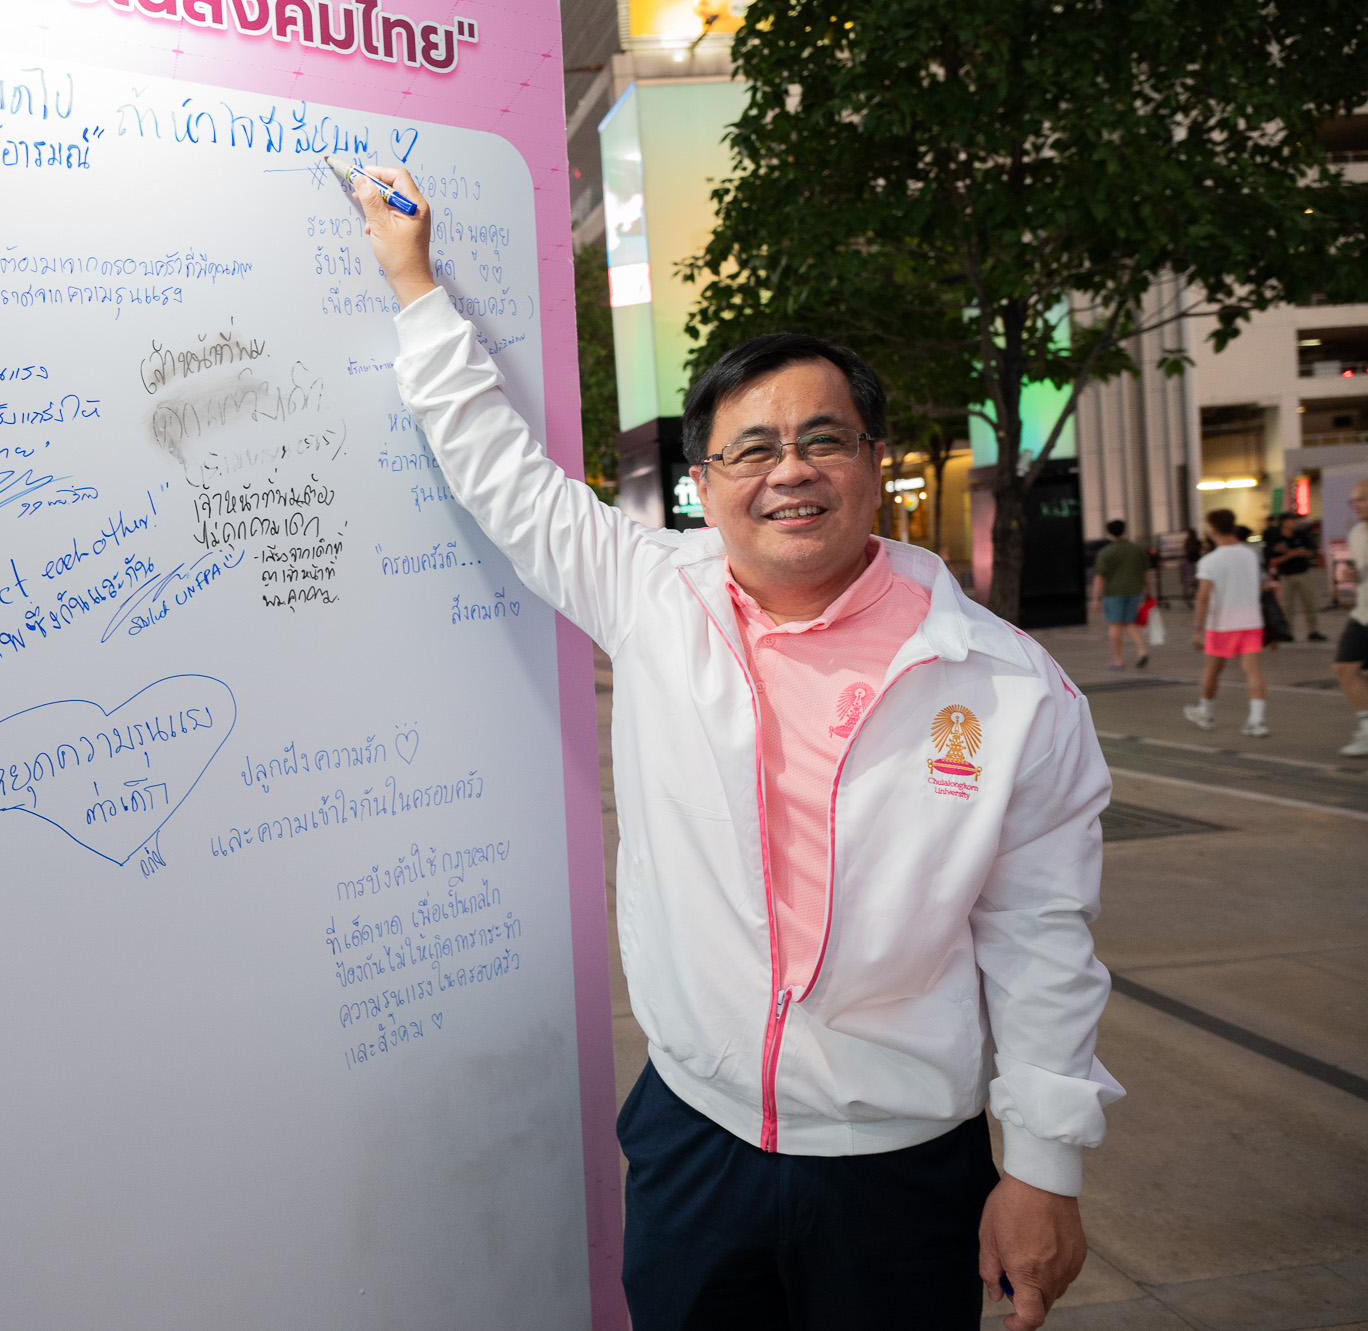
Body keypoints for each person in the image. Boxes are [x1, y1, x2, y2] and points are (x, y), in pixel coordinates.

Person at [355, 165, 1122, 1331]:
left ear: (874, 461)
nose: (788, 469)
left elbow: (1037, 936)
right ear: (701, 486)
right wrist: (412, 284)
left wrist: (1043, 1166)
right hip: (692, 1135)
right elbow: (498, 474)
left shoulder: (1007, 686)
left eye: (822, 438)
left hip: (902, 1164)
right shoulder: (650, 592)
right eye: (749, 448)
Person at [1186, 509, 1270, 736]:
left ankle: (1206, 712)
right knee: (1253, 671)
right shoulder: (1250, 555)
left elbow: (1203, 596)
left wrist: (1197, 630)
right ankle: (1257, 720)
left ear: (1212, 529)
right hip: (1251, 622)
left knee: (1212, 671)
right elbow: (1262, 585)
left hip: (1222, 623)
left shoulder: (1210, 561)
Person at [1091, 519, 1153, 669]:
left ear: (1109, 533)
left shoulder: (1106, 552)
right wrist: (1148, 591)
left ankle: (1118, 660)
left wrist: (1096, 598)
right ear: (1124, 531)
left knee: (1115, 625)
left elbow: (1099, 577)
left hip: (1113, 592)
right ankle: (1142, 650)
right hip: (1134, 591)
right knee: (1131, 622)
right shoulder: (1136, 549)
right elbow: (1146, 573)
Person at [1335, 479, 1368, 756]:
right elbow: (1362, 570)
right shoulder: (1357, 532)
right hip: (1362, 614)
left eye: (1362, 499)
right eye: (1353, 500)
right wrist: (1353, 575)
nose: (1356, 505)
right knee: (1345, 668)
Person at [1266, 513, 1326, 642]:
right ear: (1284, 522)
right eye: (1292, 520)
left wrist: (1287, 551)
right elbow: (1273, 560)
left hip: (1303, 573)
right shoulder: (1276, 537)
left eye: (1296, 520)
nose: (1295, 523)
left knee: (1309, 603)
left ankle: (1313, 631)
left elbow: (1311, 553)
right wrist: (1293, 554)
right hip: (1286, 576)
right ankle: (1287, 632)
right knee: (1288, 606)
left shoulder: (1302, 535)